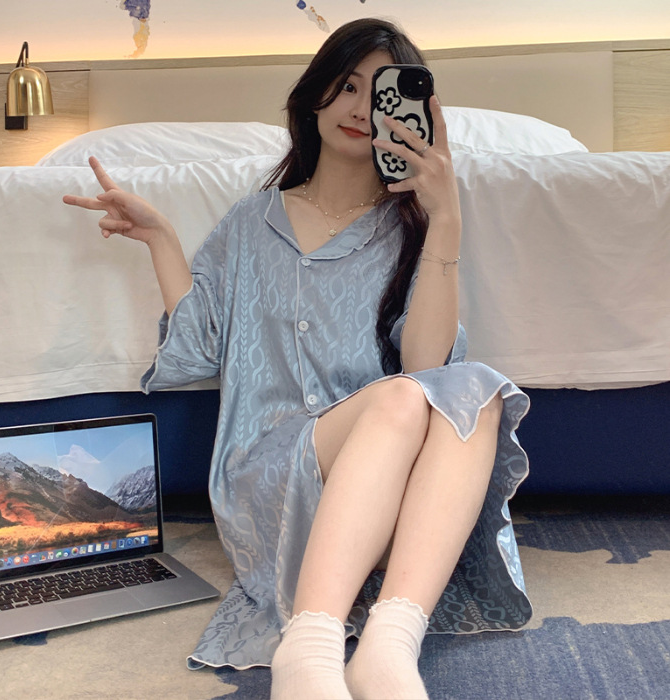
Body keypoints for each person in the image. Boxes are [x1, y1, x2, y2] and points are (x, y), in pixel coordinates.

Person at [63, 17, 532, 700]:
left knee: (474, 393)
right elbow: (198, 348)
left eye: (380, 93)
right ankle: (309, 652)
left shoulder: (411, 229)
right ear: (314, 96)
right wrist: (162, 237)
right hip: (269, 475)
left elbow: (430, 370)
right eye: (347, 85)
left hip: (381, 481)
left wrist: (447, 220)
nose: (359, 107)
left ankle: (388, 648)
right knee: (407, 397)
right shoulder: (250, 223)